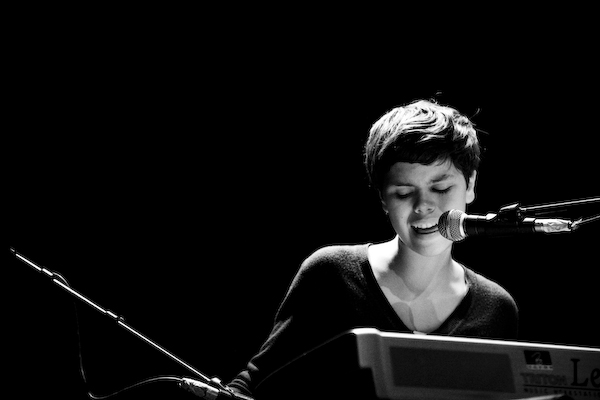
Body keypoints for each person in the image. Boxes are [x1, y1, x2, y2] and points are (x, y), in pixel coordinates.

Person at [225, 99, 519, 398]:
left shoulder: (496, 309)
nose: (423, 206)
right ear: (382, 199)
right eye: (403, 193)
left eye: (441, 188)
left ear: (470, 184)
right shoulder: (332, 275)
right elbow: (256, 384)